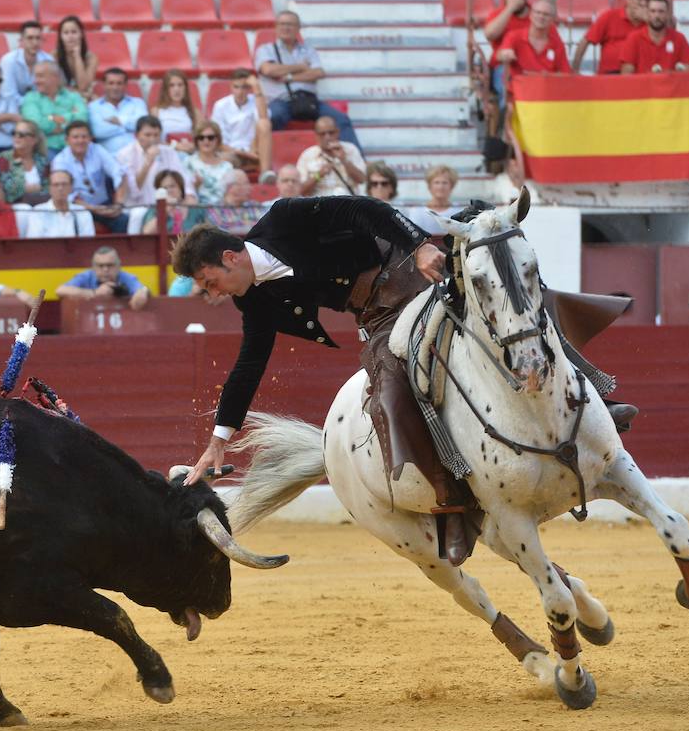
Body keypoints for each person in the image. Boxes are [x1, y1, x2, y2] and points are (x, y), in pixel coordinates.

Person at [170, 198, 486, 564]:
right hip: (377, 313)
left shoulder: (284, 218)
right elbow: (249, 364)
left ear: (230, 257)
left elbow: (365, 210)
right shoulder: (253, 300)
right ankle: (450, 499)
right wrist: (218, 442)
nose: (215, 293)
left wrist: (421, 245)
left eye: (211, 282)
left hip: (408, 269)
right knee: (389, 395)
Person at [257, 10, 359, 148]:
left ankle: (355, 163)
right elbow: (268, 70)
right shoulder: (266, 49)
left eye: (290, 24)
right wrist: (301, 66)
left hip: (308, 100)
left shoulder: (308, 50)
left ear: (298, 28)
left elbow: (318, 73)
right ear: (276, 27)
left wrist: (288, 76)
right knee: (272, 118)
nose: (286, 28)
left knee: (341, 119)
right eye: (282, 24)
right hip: (281, 100)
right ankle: (269, 164)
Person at [52, 120, 128, 233]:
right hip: (76, 208)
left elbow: (118, 173)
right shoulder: (60, 160)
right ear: (67, 140)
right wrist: (94, 209)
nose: (80, 141)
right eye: (75, 137)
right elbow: (65, 193)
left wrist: (118, 204)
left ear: (90, 138)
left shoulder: (98, 150)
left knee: (123, 220)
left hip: (104, 204)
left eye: (84, 137)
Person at [118, 115, 193, 217]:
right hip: (138, 208)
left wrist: (189, 196)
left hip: (168, 205)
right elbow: (134, 191)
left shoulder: (169, 152)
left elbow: (183, 179)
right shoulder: (125, 154)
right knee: (138, 214)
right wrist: (148, 162)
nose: (152, 139)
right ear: (136, 135)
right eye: (147, 135)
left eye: (156, 135)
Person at [573, 0, 651, 74]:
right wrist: (575, 70)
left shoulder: (652, 23)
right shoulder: (610, 16)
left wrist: (649, 21)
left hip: (638, 75)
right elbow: (585, 41)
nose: (643, 4)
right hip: (609, 76)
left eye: (647, 0)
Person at [210, 70, 274, 181]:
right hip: (231, 152)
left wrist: (257, 87)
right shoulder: (221, 106)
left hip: (254, 151)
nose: (240, 91)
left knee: (264, 123)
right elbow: (217, 139)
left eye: (244, 87)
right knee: (223, 160)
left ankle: (265, 174)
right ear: (231, 87)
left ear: (249, 88)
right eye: (236, 87)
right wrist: (240, 152)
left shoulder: (256, 101)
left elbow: (265, 120)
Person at [21, 61, 88, 153]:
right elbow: (34, 126)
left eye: (40, 76)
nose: (35, 81)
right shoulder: (31, 98)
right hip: (46, 150)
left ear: (55, 77)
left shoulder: (74, 96)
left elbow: (82, 120)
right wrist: (71, 115)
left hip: (74, 148)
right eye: (35, 76)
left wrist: (51, 118)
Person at [495, 0, 570, 80]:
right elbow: (500, 55)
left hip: (546, 88)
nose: (541, 17)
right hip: (519, 88)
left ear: (553, 19)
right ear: (530, 15)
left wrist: (545, 76)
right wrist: (504, 55)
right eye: (537, 12)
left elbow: (566, 74)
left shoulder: (557, 44)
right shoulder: (514, 36)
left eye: (546, 14)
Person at [56, 246, 150, 310]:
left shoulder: (125, 277)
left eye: (110, 265)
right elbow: (60, 290)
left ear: (119, 266)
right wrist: (94, 293)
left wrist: (143, 292)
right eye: (100, 266)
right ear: (93, 267)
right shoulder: (86, 276)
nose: (105, 269)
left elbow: (141, 288)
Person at [621, 0, 689, 74]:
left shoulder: (679, 38)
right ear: (647, 13)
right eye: (653, 11)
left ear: (667, 14)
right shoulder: (634, 38)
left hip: (670, 85)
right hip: (642, 86)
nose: (657, 16)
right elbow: (626, 75)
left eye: (661, 11)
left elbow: (688, 73)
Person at [295, 115, 365, 197]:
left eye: (331, 133)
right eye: (322, 134)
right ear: (316, 136)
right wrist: (318, 175)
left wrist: (344, 160)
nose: (327, 137)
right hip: (319, 206)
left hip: (348, 205)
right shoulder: (307, 155)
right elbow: (300, 190)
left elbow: (362, 180)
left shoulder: (351, 150)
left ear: (338, 132)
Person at [183, 169, 261, 235]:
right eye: (245, 184)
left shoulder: (254, 206)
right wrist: (248, 226)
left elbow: (263, 228)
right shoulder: (215, 209)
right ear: (230, 187)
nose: (250, 188)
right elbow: (220, 232)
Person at [88, 67, 146, 155]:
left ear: (126, 85)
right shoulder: (94, 106)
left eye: (119, 83)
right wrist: (128, 127)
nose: (115, 87)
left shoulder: (138, 103)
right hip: (109, 158)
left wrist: (119, 121)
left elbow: (143, 126)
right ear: (104, 85)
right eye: (111, 83)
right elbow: (98, 131)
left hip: (137, 156)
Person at [24, 168, 94, 239]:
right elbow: (34, 245)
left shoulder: (82, 213)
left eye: (64, 184)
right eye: (56, 185)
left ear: (71, 187)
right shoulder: (37, 213)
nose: (60, 188)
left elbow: (87, 244)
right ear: (49, 188)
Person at [0, 119, 50, 206]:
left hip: (41, 205)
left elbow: (49, 188)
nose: (16, 137)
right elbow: (6, 188)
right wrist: (26, 189)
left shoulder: (42, 160)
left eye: (21, 135)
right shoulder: (4, 158)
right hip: (15, 206)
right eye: (14, 133)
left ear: (34, 140)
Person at [183, 120, 236, 207]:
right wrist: (195, 186)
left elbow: (230, 195)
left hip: (221, 211)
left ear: (218, 140)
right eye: (201, 138)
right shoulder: (188, 162)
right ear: (196, 141)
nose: (206, 141)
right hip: (196, 210)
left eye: (210, 137)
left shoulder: (227, 167)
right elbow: (183, 193)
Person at [0, 21, 54, 102]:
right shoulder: (8, 61)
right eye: (30, 38)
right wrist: (32, 105)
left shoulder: (49, 60)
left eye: (38, 38)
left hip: (40, 109)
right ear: (21, 40)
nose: (35, 43)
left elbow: (51, 92)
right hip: (13, 109)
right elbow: (8, 96)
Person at [152, 70, 200, 145]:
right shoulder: (156, 111)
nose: (176, 89)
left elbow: (201, 138)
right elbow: (153, 139)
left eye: (180, 85)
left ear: (185, 88)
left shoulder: (195, 112)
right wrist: (175, 146)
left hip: (188, 153)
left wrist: (191, 146)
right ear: (166, 89)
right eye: (172, 85)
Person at [55, 15, 99, 99]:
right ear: (60, 36)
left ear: (81, 34)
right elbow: (57, 87)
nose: (70, 36)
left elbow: (83, 86)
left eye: (74, 32)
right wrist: (79, 93)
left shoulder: (91, 58)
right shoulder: (54, 56)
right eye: (66, 33)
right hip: (61, 97)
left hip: (83, 98)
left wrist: (77, 56)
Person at [140, 169, 194, 236]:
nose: (169, 190)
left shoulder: (195, 209)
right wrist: (165, 210)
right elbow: (147, 232)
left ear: (181, 188)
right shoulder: (154, 210)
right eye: (164, 188)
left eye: (172, 186)